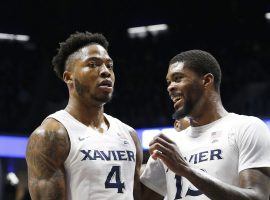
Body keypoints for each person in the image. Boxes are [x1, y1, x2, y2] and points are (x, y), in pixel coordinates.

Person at [26, 32, 143, 200]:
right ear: (69, 77)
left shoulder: (129, 134)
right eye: (93, 64)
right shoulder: (50, 135)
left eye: (109, 66)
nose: (105, 71)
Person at [140, 50, 270, 200]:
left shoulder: (247, 128)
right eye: (169, 82)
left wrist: (187, 170)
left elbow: (258, 197)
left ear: (207, 80)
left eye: (177, 78)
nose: (170, 87)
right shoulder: (169, 144)